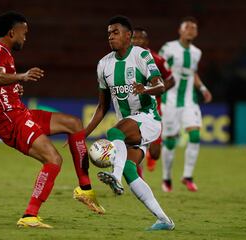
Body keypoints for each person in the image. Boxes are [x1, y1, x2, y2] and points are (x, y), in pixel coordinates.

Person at [0, 11, 104, 228]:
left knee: (74, 124)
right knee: (54, 159)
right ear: (12, 32)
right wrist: (20, 77)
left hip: (19, 111)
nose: (25, 38)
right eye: (24, 33)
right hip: (9, 119)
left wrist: (10, 86)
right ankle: (29, 215)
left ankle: (85, 190)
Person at [85, 15, 175, 231]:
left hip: (148, 119)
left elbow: (160, 85)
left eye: (115, 32)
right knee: (129, 168)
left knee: (115, 131)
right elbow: (102, 106)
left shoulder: (142, 56)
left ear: (128, 35)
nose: (110, 36)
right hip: (130, 126)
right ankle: (164, 220)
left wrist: (146, 89)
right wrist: (83, 133)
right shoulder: (103, 65)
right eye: (108, 33)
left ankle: (114, 177)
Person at [158, 16, 212, 192]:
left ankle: (187, 176)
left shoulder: (197, 52)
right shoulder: (168, 48)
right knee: (171, 142)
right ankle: (166, 178)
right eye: (187, 27)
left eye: (194, 28)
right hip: (170, 101)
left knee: (195, 135)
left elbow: (193, 73)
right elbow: (157, 69)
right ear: (180, 30)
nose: (191, 30)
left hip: (190, 101)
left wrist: (203, 88)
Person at [131, 27, 174, 176]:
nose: (136, 41)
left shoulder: (157, 59)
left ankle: (150, 156)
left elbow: (171, 80)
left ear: (146, 41)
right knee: (133, 145)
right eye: (133, 38)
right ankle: (137, 178)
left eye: (140, 38)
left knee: (155, 153)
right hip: (132, 109)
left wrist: (154, 91)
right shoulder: (125, 58)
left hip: (153, 108)